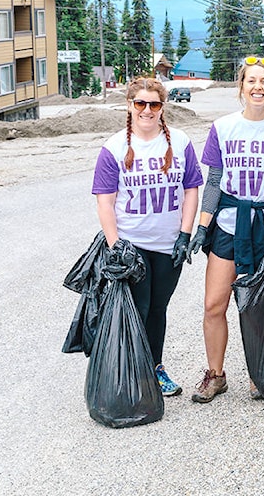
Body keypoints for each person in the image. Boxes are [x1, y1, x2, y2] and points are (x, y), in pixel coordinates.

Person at [187, 57, 264, 403]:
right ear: (241, 87)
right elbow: (214, 182)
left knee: (259, 305)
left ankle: (259, 372)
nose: (257, 87)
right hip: (228, 224)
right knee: (214, 304)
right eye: (251, 80)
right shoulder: (223, 128)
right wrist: (202, 228)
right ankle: (216, 374)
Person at [91, 76, 202, 397]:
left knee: (157, 309)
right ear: (129, 105)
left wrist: (185, 233)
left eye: (154, 104)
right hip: (133, 246)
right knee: (136, 309)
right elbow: (105, 201)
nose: (147, 110)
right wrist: (116, 246)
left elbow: (191, 188)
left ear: (162, 107)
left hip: (169, 247)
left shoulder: (179, 142)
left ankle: (155, 368)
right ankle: (132, 373)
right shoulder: (114, 148)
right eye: (140, 103)